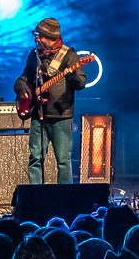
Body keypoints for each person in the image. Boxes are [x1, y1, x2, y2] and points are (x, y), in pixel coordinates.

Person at [13, 17, 87, 185]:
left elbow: (81, 82)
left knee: (63, 161)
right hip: (38, 115)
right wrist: (21, 88)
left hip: (61, 117)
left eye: (40, 36)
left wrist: (71, 76)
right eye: (36, 35)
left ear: (50, 38)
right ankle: (36, 194)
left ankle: (64, 196)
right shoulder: (34, 55)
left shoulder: (69, 55)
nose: (37, 38)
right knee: (35, 159)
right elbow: (24, 77)